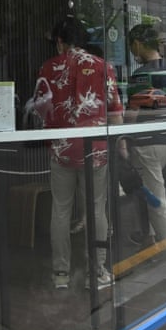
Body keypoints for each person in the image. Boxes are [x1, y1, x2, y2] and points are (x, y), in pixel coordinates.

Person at [30, 15, 124, 291]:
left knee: (60, 210)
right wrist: (117, 143)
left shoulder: (48, 67)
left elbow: (40, 109)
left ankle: (61, 273)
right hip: (94, 148)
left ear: (60, 41)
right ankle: (98, 271)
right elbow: (115, 111)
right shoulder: (102, 67)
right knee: (95, 208)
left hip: (61, 148)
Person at [120, 23, 166, 261]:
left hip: (147, 144)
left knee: (157, 202)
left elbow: (132, 114)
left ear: (137, 44)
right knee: (158, 195)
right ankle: (151, 240)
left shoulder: (141, 74)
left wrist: (122, 140)